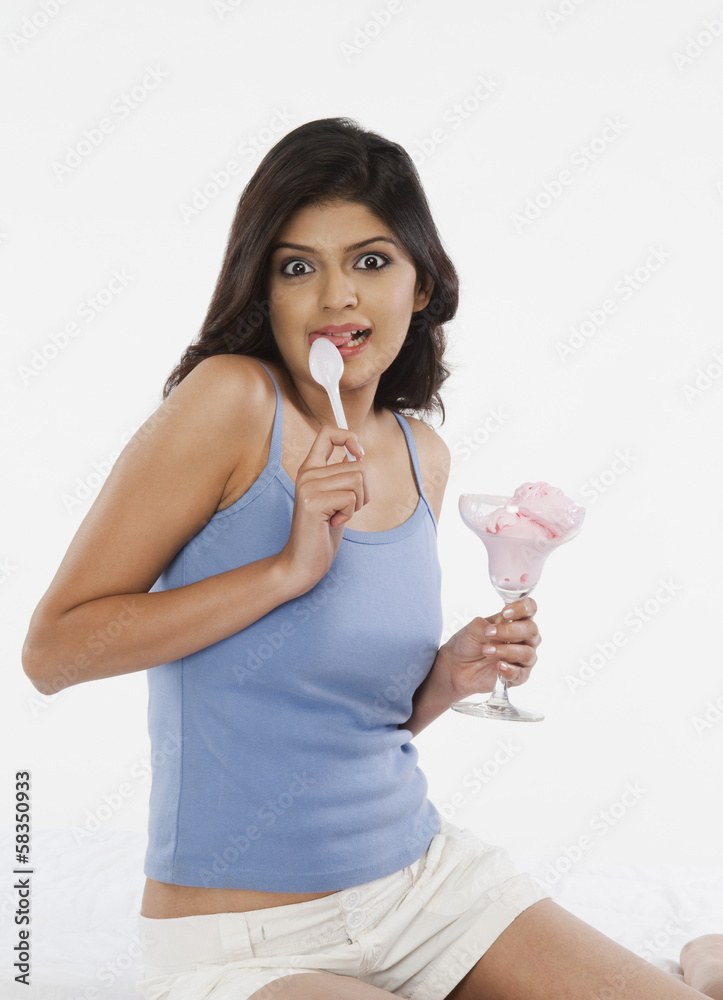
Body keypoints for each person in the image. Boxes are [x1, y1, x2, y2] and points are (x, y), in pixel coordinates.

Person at [21, 117, 721, 1000]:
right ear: (262, 288)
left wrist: (445, 679)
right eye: (297, 266)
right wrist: (285, 569)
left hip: (428, 890)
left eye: (371, 261)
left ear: (420, 284)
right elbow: (52, 654)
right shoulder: (231, 401)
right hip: (246, 942)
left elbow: (350, 727)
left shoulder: (421, 454)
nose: (335, 298)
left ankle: (697, 964)